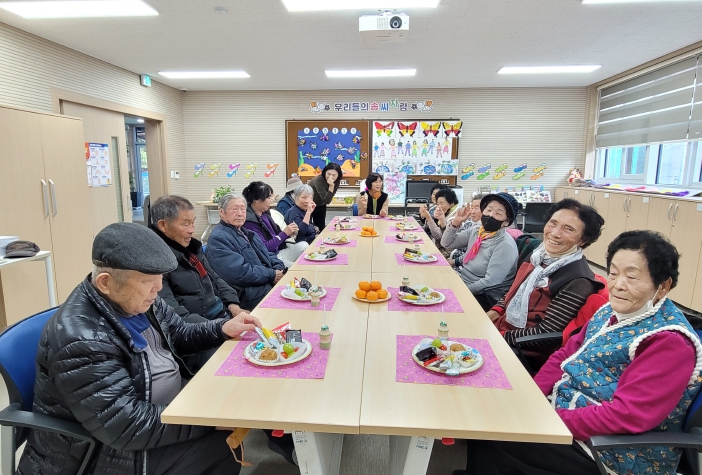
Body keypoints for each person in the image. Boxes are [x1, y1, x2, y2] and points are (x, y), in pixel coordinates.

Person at [17, 222, 262, 475]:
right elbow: (125, 426)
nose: (158, 288)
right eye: (147, 281)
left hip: (152, 411)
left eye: (159, 278)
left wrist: (222, 328)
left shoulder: (137, 298)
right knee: (221, 446)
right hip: (103, 450)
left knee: (234, 391)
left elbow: (178, 333)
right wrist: (205, 420)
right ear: (105, 282)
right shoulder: (82, 338)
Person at [456, 230, 702, 475]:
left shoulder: (668, 343)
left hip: (611, 449)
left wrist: (549, 419)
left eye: (632, 277)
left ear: (663, 286)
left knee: (502, 433)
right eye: (613, 273)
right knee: (495, 415)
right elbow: (564, 355)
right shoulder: (609, 312)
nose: (618, 285)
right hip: (568, 412)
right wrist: (533, 399)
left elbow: (627, 416)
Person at [486, 198, 606, 365]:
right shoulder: (539, 256)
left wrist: (497, 336)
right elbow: (513, 292)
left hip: (523, 351)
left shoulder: (578, 280)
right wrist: (494, 311)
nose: (555, 233)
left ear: (583, 240)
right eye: (553, 223)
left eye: (568, 229)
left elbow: (546, 333)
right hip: (502, 328)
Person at [150, 195, 248, 371]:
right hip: (197, 336)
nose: (192, 230)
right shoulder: (156, 263)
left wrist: (234, 306)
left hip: (220, 318)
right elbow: (176, 318)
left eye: (193, 223)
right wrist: (221, 328)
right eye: (185, 224)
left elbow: (216, 280)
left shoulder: (191, 250)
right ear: (163, 225)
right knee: (244, 361)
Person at [206, 194, 286, 310]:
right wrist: (272, 275)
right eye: (235, 209)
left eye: (243, 209)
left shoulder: (248, 233)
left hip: (264, 281)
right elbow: (239, 273)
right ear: (222, 212)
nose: (240, 213)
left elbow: (267, 254)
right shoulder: (218, 238)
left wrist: (278, 269)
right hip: (246, 294)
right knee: (288, 300)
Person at [441, 192, 520, 310]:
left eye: (498, 213)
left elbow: (490, 281)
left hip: (485, 296)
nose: (491, 215)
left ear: (506, 221)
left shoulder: (505, 245)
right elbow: (447, 243)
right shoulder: (477, 231)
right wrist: (456, 223)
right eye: (489, 210)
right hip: (463, 281)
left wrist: (461, 291)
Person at [243, 181, 308, 267]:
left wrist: (289, 234)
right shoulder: (250, 222)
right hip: (269, 259)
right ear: (257, 200)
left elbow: (277, 235)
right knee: (298, 268)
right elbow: (265, 248)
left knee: (304, 245)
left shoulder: (265, 213)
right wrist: (284, 233)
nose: (272, 200)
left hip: (278, 252)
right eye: (268, 197)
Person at [419, 187, 459, 258]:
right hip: (436, 246)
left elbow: (441, 239)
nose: (438, 207)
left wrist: (429, 218)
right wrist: (426, 217)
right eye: (438, 204)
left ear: (451, 204)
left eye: (442, 203)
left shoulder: (455, 218)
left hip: (447, 252)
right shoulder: (442, 212)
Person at [449, 194, 484, 266]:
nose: (473, 211)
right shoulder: (468, 223)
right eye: (472, 207)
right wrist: (456, 223)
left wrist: (451, 262)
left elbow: (473, 254)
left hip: (463, 266)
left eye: (477, 208)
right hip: (452, 255)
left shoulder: (483, 230)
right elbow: (452, 240)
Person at [308, 162, 342, 230]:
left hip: (321, 204)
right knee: (309, 228)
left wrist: (331, 186)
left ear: (338, 175)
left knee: (321, 227)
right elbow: (326, 199)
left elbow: (328, 199)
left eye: (334, 175)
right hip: (309, 204)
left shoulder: (337, 181)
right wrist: (331, 186)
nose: (330, 177)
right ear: (324, 172)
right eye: (328, 174)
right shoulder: (319, 180)